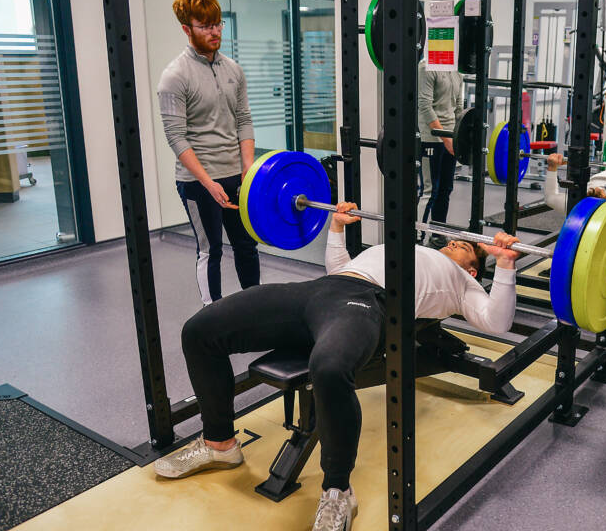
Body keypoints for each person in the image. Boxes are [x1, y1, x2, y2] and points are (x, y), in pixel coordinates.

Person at [153, 202, 521, 531]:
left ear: (473, 271)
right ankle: (220, 443)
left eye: (467, 249)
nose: (455, 244)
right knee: (200, 330)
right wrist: (338, 227)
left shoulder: (463, 285)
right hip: (318, 290)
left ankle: (338, 490)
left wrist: (504, 264)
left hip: (366, 303)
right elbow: (341, 268)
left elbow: (496, 321)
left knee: (328, 369)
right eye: (454, 241)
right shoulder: (404, 246)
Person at [158, 0, 259, 305]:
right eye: (205, 26)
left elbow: (243, 120)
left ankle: (256, 309)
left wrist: (248, 170)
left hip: (235, 175)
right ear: (187, 29)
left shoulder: (234, 70)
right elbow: (176, 138)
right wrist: (207, 182)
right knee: (210, 249)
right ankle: (211, 316)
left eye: (218, 24)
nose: (215, 32)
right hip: (198, 182)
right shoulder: (174, 77)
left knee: (246, 245)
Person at [418, 60, 464, 225]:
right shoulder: (426, 67)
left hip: (451, 137)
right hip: (431, 137)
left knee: (446, 189)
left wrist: (459, 137)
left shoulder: (457, 71)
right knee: (430, 191)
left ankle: (438, 234)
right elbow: (424, 106)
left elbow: (458, 108)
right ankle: (418, 238)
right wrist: (446, 139)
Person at [542, 152, 606, 215]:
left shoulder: (577, 206)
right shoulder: (580, 207)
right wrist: (552, 167)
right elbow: (550, 198)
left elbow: (550, 198)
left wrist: (552, 166)